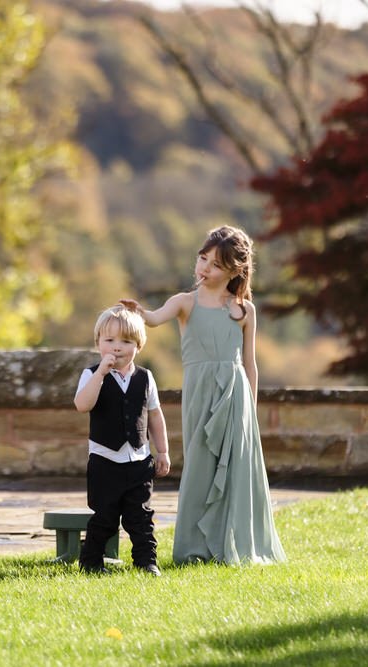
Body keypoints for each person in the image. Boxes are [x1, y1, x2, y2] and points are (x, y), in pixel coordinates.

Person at [120, 225, 286, 565]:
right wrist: (139, 311)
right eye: (202, 258)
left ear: (235, 271)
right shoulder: (184, 302)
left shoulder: (243, 310)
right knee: (200, 466)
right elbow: (153, 319)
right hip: (200, 392)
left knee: (236, 471)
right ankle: (194, 549)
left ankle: (233, 545)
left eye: (214, 264)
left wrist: (250, 413)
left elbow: (250, 365)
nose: (204, 268)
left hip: (235, 396)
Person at [74, 305, 170, 576]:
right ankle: (91, 562)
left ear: (138, 346)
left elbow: (155, 416)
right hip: (105, 459)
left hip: (139, 460)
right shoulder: (91, 375)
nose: (117, 348)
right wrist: (100, 375)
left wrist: (162, 451)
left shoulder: (145, 378)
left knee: (141, 516)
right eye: (109, 341)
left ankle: (146, 561)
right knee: (104, 516)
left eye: (126, 341)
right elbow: (82, 404)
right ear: (98, 344)